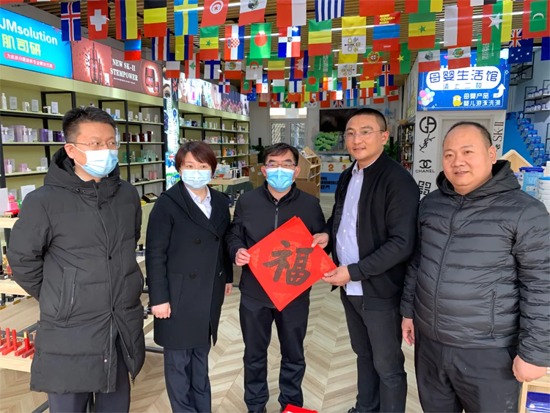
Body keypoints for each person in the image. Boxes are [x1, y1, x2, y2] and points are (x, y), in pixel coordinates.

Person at [401, 121, 550, 413]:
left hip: (489, 352)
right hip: (430, 344)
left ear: (492, 154)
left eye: (468, 152)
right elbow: (418, 262)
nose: (458, 161)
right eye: (449, 154)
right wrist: (408, 311)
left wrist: (535, 353)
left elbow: (542, 285)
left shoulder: (526, 212)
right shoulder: (431, 204)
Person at [8, 107, 145, 413]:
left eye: (111, 143)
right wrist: (61, 296)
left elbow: (128, 242)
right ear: (71, 150)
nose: (106, 150)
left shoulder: (126, 195)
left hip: (119, 324)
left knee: (115, 405)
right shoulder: (44, 201)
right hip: (69, 331)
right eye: (95, 143)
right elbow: (22, 260)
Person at [317, 108, 420, 413]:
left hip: (380, 290)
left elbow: (402, 243)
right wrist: (326, 236)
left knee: (388, 366)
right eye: (350, 133)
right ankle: (365, 408)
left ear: (384, 137)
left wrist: (354, 272)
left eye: (365, 132)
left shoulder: (397, 180)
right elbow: (341, 218)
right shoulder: (349, 174)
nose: (356, 139)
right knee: (363, 354)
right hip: (350, 288)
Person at [226, 143, 327, 413]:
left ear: (296, 170)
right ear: (264, 169)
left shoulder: (310, 204)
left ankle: (291, 406)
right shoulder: (247, 201)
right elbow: (234, 234)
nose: (279, 169)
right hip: (254, 293)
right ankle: (255, 406)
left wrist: (325, 238)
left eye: (286, 164)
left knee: (293, 354)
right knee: (254, 354)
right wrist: (237, 250)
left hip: (293, 294)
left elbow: (322, 238)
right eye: (273, 164)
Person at [146, 141, 233, 413]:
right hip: (176, 295)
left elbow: (223, 243)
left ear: (213, 169)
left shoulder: (220, 201)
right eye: (189, 166)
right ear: (180, 169)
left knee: (200, 361)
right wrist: (158, 299)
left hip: (208, 292)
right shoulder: (167, 203)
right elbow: (155, 254)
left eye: (202, 166)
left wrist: (227, 277)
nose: (196, 171)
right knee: (178, 365)